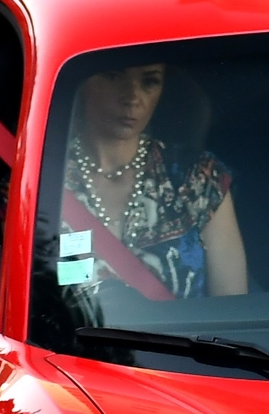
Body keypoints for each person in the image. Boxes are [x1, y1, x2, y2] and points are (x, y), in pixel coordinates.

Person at [65, 62, 248, 298]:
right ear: (83, 81)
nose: (132, 97)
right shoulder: (41, 179)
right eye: (113, 75)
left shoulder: (198, 179)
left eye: (149, 81)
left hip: (181, 336)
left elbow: (232, 309)